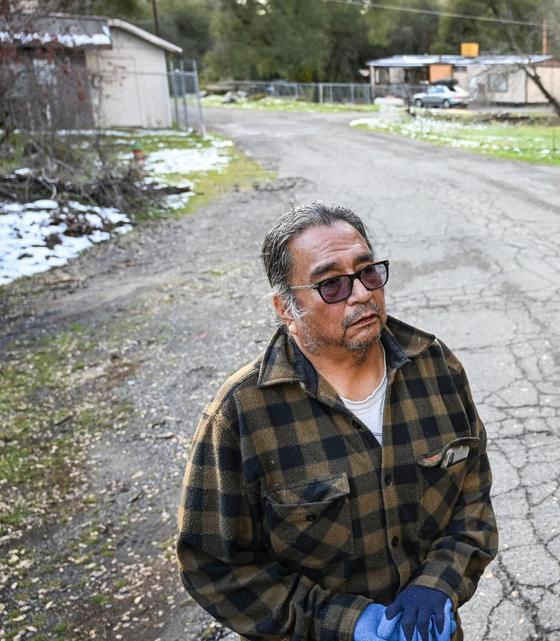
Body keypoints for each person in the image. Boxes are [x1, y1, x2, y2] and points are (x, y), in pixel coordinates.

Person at [177, 202, 497, 641]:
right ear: (286, 307)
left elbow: (473, 499)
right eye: (331, 284)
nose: (362, 293)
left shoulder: (436, 367)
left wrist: (438, 584)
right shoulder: (242, 414)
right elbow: (214, 566)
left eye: (368, 272)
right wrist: (349, 624)